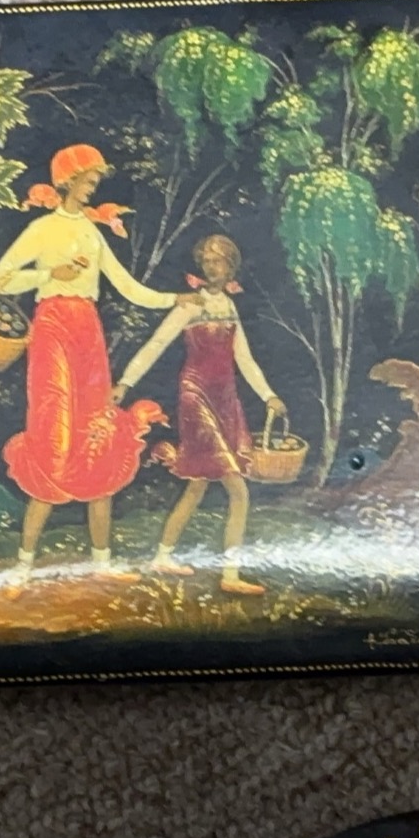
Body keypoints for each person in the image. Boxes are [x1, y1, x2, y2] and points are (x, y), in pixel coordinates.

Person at [0, 143, 199, 583]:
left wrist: (174, 299)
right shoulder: (43, 229)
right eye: (88, 181)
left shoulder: (91, 231)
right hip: (53, 331)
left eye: (95, 182)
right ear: (68, 180)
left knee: (97, 432)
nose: (92, 189)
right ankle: (23, 567)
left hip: (88, 332)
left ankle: (101, 563)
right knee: (54, 434)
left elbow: (127, 286)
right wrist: (50, 275)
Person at [112, 234, 286, 596]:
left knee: (197, 484)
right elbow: (156, 344)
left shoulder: (230, 306)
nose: (211, 266)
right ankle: (230, 574)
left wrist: (269, 395)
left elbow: (244, 358)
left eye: (218, 260)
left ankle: (163, 556)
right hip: (196, 397)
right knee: (238, 490)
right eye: (206, 260)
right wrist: (125, 384)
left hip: (225, 400)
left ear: (231, 267)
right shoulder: (190, 304)